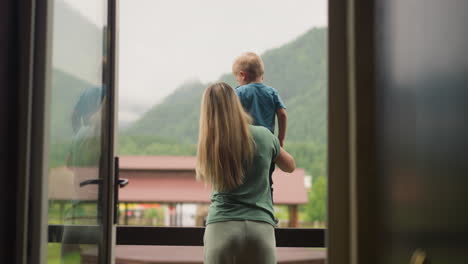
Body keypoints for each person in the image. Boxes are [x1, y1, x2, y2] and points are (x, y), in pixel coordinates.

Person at [196, 82, 296, 264]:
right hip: (260, 228)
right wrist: (275, 144)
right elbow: (290, 166)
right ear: (236, 104)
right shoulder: (264, 135)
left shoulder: (210, 144)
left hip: (221, 227)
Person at [232, 52, 288, 204]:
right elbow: (282, 114)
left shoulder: (238, 93)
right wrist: (280, 138)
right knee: (267, 180)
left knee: (243, 178)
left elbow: (231, 118)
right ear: (261, 75)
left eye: (236, 77)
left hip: (243, 145)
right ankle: (267, 209)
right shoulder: (272, 92)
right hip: (267, 146)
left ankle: (243, 205)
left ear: (242, 75)